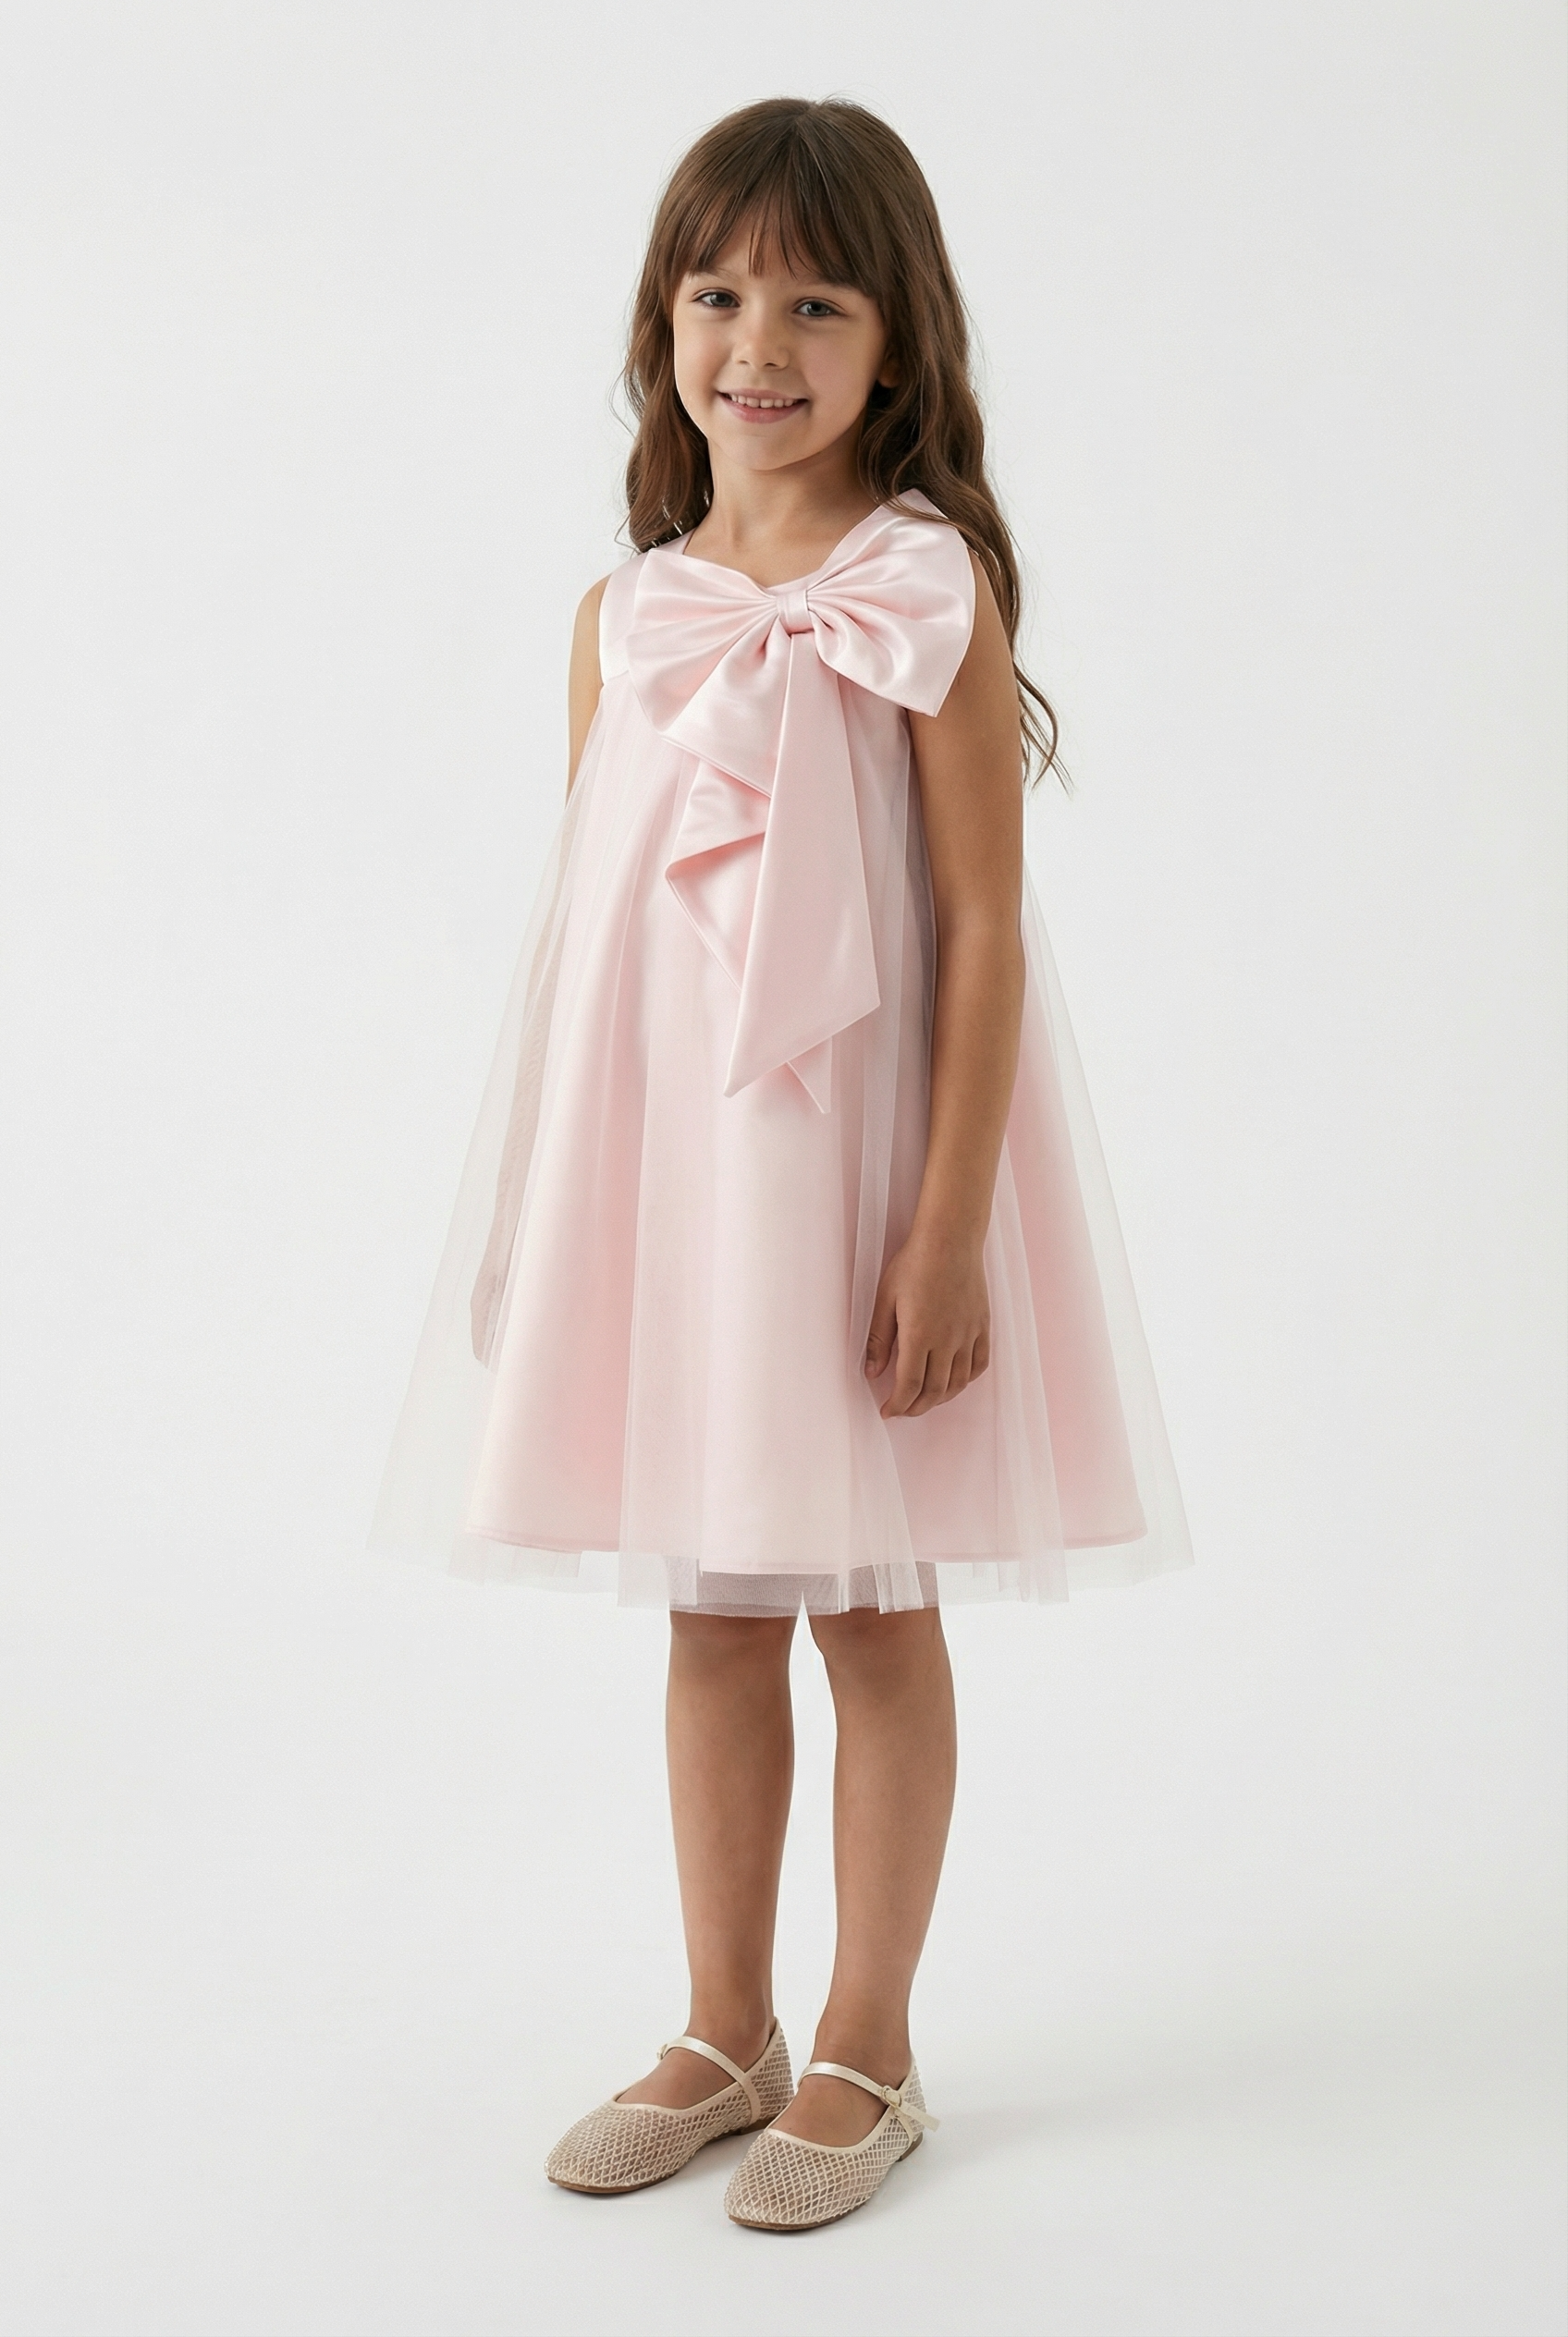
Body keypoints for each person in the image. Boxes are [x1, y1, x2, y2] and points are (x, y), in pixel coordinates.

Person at [369, 95, 1191, 2233]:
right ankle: (721, 2021)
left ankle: (867, 2038)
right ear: (660, 326)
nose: (758, 344)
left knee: (872, 1607)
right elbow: (589, 931)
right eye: (716, 294)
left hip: (855, 1180)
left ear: (895, 339)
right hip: (681, 1189)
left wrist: (945, 1224)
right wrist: (543, 1203)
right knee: (712, 1612)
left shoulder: (922, 591)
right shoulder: (624, 614)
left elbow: (983, 925)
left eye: (815, 303)